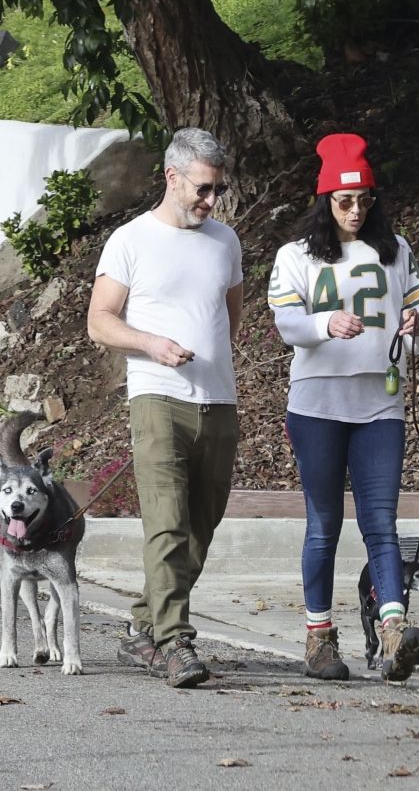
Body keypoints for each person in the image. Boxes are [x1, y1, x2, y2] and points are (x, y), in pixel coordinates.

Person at [268, 133, 419, 682]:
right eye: (344, 201)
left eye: (365, 198)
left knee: (382, 525)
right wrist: (324, 323)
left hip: (380, 403)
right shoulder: (295, 256)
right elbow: (287, 322)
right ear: (324, 201)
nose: (357, 210)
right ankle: (319, 638)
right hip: (317, 403)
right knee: (324, 526)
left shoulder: (397, 249)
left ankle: (393, 633)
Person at [87, 127, 242, 688]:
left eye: (216, 190)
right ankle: (176, 643)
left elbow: (231, 315)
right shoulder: (131, 240)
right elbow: (99, 320)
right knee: (167, 522)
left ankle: (142, 629)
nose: (210, 200)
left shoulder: (226, 241)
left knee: (202, 523)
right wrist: (153, 345)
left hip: (218, 399)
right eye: (202, 188)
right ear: (172, 177)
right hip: (157, 397)